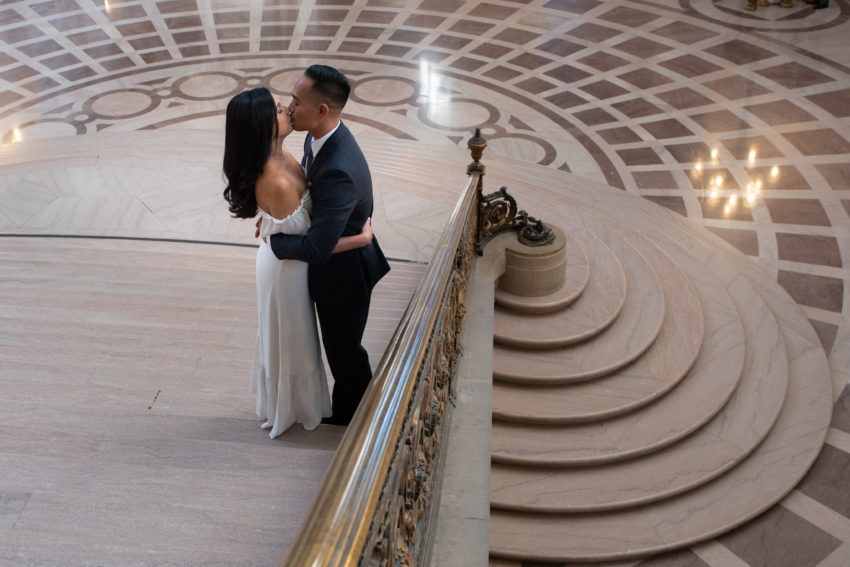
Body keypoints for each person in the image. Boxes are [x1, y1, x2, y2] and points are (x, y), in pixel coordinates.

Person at [222, 87, 373, 437]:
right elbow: (310, 244)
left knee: (297, 338)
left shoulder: (281, 151)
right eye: (278, 110)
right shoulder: (273, 180)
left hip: (288, 255)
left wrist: (272, 221)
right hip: (286, 270)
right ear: (262, 127)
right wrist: (360, 239)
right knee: (294, 341)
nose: (288, 110)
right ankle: (295, 407)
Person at [270, 64, 391, 426]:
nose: (290, 106)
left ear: (322, 110)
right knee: (341, 348)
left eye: (296, 100)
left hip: (345, 276)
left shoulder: (338, 168)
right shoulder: (318, 135)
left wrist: (276, 243)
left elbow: (316, 250)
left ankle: (355, 420)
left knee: (344, 352)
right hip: (344, 257)